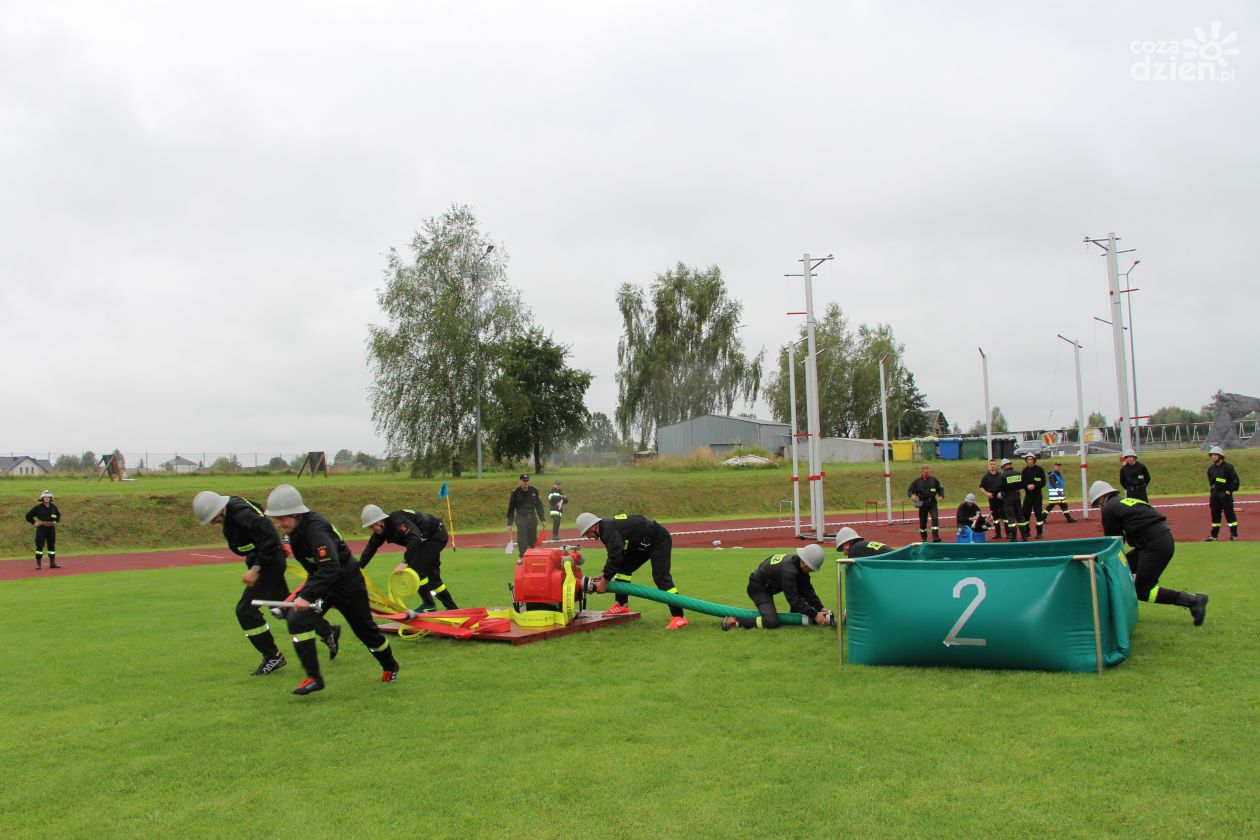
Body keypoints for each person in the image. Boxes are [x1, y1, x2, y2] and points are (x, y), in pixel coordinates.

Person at [264, 484, 400, 695]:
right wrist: (301, 595)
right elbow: (316, 570)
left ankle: (390, 666)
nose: (279, 523)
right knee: (297, 620)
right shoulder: (294, 530)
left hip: (347, 583)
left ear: (297, 513)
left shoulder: (316, 530)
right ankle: (314, 678)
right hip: (323, 582)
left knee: (366, 632)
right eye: (276, 519)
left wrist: (306, 596)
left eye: (282, 518)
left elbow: (331, 567)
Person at [193, 491, 339, 677]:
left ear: (220, 509)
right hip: (263, 561)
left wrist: (255, 569)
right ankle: (328, 631)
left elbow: (270, 539)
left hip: (269, 564)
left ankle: (273, 656)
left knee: (245, 611)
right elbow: (259, 510)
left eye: (214, 518)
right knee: (285, 607)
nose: (213, 523)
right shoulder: (234, 507)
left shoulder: (243, 515)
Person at [1088, 480, 1208, 625]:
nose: (1099, 508)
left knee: (1143, 591)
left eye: (1097, 504)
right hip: (1158, 540)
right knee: (1122, 567)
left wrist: (1102, 559)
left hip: (1154, 545)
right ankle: (1118, 609)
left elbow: (1114, 541)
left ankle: (1192, 600)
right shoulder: (1123, 502)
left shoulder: (1109, 508)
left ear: (1102, 498)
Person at [574, 511, 688, 629]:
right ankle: (622, 604)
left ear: (592, 527)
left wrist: (605, 581)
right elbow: (615, 554)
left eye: (587, 533)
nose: (588, 537)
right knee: (623, 568)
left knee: (661, 577)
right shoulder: (604, 528)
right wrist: (604, 572)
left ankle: (679, 616)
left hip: (658, 540)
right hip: (643, 542)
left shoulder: (608, 530)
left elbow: (615, 556)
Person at [359, 504, 456, 613]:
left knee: (413, 569)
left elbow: (414, 537)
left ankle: (429, 605)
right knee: (433, 578)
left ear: (380, 521)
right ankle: (452, 609)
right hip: (425, 542)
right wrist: (358, 568)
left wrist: (405, 562)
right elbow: (370, 548)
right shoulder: (381, 531)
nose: (371, 529)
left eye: (372, 526)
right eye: (369, 527)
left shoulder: (398, 522)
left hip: (436, 536)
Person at [720, 544, 833, 630]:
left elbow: (807, 589)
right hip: (758, 589)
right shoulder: (789, 571)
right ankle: (735, 620)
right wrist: (815, 615)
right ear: (804, 563)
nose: (812, 571)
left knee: (798, 604)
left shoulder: (798, 566)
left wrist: (820, 608)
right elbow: (793, 599)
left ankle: (793, 618)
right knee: (771, 622)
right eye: (811, 568)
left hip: (768, 587)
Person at [1205, 445, 1240, 541]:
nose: (1212, 457)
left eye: (1214, 455)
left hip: (1225, 495)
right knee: (1215, 516)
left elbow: (1235, 481)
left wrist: (1229, 491)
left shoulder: (1228, 467)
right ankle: (1214, 536)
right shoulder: (1211, 469)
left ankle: (1234, 535)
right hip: (1215, 496)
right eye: (1211, 455)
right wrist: (1212, 491)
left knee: (1229, 515)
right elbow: (1211, 482)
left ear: (1220, 456)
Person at [506, 474, 546, 558]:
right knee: (522, 540)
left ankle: (532, 557)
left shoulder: (534, 490)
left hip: (532, 518)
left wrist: (542, 519)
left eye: (527, 480)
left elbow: (539, 506)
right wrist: (509, 523)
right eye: (524, 481)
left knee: (533, 540)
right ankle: (523, 557)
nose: (526, 482)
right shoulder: (515, 492)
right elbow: (511, 509)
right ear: (520, 481)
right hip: (521, 518)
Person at [25, 490, 62, 570]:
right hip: (41, 528)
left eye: (48, 497)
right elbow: (28, 516)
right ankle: (38, 564)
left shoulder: (53, 507)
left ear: (50, 498)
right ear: (42, 498)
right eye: (45, 497)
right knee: (40, 544)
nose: (47, 498)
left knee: (51, 545)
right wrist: (33, 522)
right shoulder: (38, 507)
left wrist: (56, 520)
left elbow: (58, 515)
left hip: (51, 528)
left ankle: (52, 563)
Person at [907, 465, 944, 542]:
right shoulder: (917, 482)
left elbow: (940, 489)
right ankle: (924, 538)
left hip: (932, 503)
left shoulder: (934, 480)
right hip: (922, 503)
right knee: (923, 522)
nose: (927, 473)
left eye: (928, 472)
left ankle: (935, 537)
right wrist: (912, 496)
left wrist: (941, 496)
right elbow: (910, 490)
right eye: (926, 472)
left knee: (935, 518)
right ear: (922, 472)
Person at [1020, 453, 1047, 539]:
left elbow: (1043, 482)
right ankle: (1026, 532)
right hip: (1028, 496)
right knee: (1025, 514)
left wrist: (1035, 485)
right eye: (1028, 459)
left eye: (1031, 459)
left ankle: (1039, 532)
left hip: (1037, 495)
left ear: (1034, 460)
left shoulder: (1039, 470)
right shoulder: (1024, 471)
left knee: (1038, 514)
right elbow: (1022, 483)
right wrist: (1027, 486)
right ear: (1026, 461)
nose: (1030, 461)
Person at [979, 459, 1006, 540]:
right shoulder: (986, 477)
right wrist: (987, 493)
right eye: (991, 464)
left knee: (1005, 515)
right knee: (995, 516)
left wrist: (1003, 493)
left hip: (1001, 498)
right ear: (989, 466)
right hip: (992, 498)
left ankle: (1009, 533)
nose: (992, 465)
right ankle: (998, 534)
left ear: (996, 465)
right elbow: (981, 487)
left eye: (994, 464)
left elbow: (1005, 485)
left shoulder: (1001, 475)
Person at [999, 459, 1024, 541]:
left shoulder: (1003, 475)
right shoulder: (1018, 473)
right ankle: (1024, 536)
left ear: (1003, 467)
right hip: (1017, 497)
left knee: (1011, 518)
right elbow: (1022, 484)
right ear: (1010, 465)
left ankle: (1014, 538)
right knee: (1020, 517)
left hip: (1008, 498)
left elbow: (1000, 487)